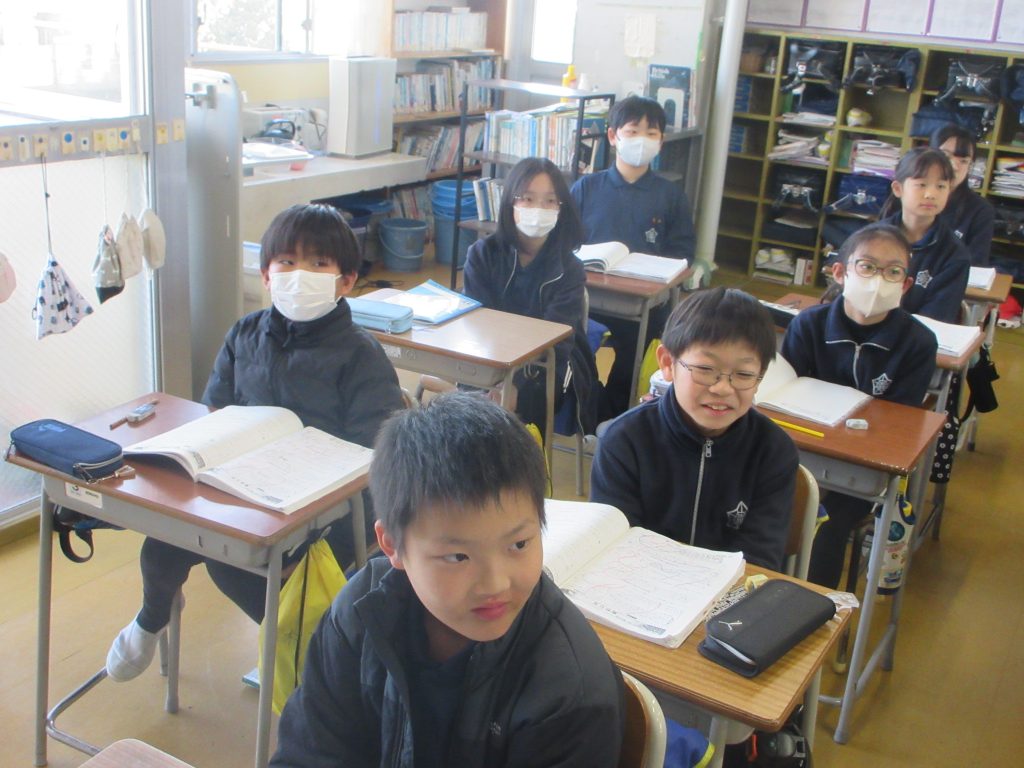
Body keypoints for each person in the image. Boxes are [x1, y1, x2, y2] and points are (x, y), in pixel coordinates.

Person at [105, 203, 405, 682]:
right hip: (239, 494)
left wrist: (319, 527)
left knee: (235, 566)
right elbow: (214, 418)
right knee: (164, 541)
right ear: (266, 274)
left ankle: (299, 649)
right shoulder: (244, 335)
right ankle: (152, 617)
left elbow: (375, 460)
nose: (299, 274)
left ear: (345, 280)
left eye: (318, 264)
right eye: (286, 262)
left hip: (321, 514)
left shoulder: (361, 356)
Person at [271, 392, 625, 767]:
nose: (495, 584)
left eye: (519, 544)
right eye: (457, 557)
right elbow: (307, 754)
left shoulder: (568, 690)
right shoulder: (360, 614)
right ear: (392, 545)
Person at [591, 287, 798, 571]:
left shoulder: (773, 451)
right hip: (639, 583)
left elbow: (759, 560)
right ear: (668, 363)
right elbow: (614, 547)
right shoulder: (624, 441)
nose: (722, 388)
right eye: (705, 369)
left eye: (743, 374)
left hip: (730, 592)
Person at [781, 223, 938, 588]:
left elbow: (899, 423)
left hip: (863, 468)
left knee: (827, 525)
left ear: (906, 285)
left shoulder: (917, 342)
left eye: (893, 272)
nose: (878, 280)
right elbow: (782, 396)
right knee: (768, 505)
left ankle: (814, 605)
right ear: (840, 272)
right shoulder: (809, 325)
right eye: (867, 266)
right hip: (800, 453)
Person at [571, 95, 696, 415]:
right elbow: (563, 241)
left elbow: (684, 254)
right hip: (586, 296)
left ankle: (613, 417)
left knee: (635, 359)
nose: (642, 140)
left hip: (645, 304)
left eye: (651, 133)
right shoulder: (587, 188)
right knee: (571, 350)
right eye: (632, 131)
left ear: (661, 142)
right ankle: (582, 410)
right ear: (613, 136)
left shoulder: (670, 195)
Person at [462, 157, 589, 432]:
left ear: (561, 208)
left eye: (549, 201)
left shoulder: (570, 269)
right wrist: (495, 380)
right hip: (486, 363)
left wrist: (515, 385)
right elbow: (475, 326)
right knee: (467, 412)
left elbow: (556, 343)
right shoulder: (482, 255)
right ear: (511, 202)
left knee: (514, 412)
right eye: (528, 199)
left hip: (542, 372)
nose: (538, 209)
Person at [879, 146, 970, 322]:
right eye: (921, 185)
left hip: (918, 336)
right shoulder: (872, 239)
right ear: (898, 189)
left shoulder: (954, 255)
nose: (930, 194)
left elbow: (937, 318)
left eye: (941, 186)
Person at [930, 124, 995, 267]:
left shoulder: (981, 210)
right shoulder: (908, 196)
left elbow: (976, 264)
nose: (954, 166)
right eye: (945, 156)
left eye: (963, 161)